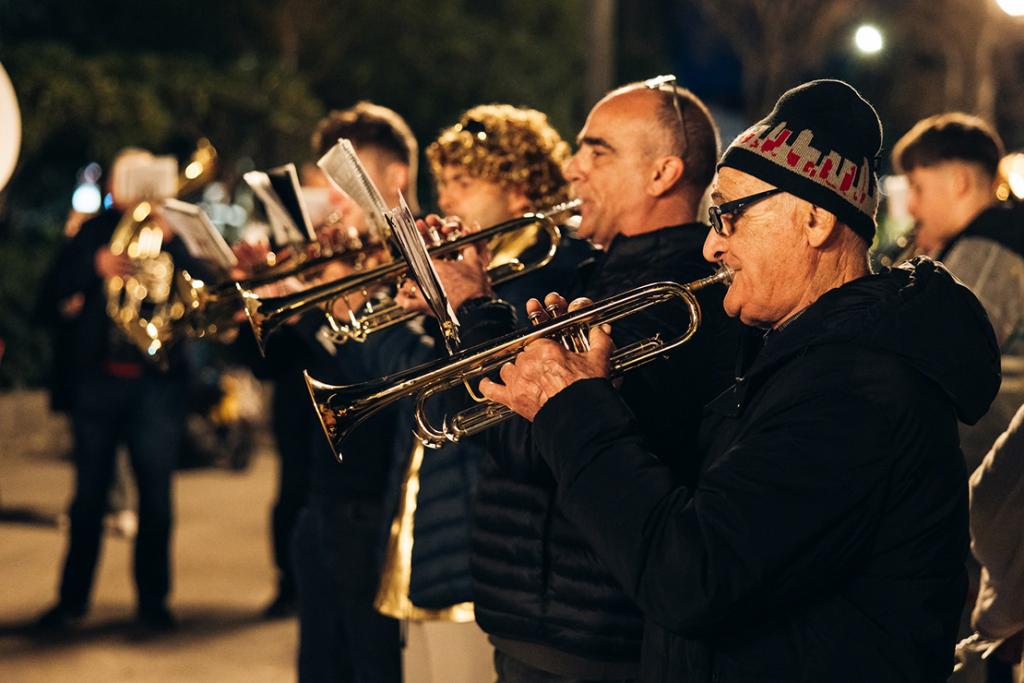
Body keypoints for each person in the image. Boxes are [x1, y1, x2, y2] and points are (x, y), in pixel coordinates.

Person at [479, 80, 1002, 681]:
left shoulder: (855, 389)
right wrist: (602, 398)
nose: (711, 246)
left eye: (728, 215)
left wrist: (575, 411)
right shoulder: (801, 358)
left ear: (814, 220)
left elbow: (693, 575)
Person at [406, 78, 739, 681]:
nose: (571, 167)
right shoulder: (603, 273)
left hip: (585, 634)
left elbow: (533, 441)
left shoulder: (671, 293)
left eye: (597, 151)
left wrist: (474, 308)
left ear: (662, 173)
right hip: (547, 620)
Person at [373, 103, 595, 683]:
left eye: (464, 183)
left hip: (485, 552)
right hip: (433, 533)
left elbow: (461, 395)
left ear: (519, 191)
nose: (446, 198)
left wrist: (443, 314)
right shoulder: (482, 268)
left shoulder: (540, 274)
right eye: (443, 181)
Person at [35, 148, 216, 631]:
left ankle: (153, 604)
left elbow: (212, 290)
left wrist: (176, 244)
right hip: (97, 383)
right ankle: (71, 601)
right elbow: (47, 299)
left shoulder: (172, 233)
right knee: (88, 499)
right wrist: (93, 265)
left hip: (157, 386)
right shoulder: (92, 233)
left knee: (156, 499)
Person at [891, 113, 1024, 473]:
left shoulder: (988, 250)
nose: (911, 206)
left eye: (917, 187)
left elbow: (934, 361)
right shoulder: (991, 241)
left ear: (959, 183)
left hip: (985, 469)